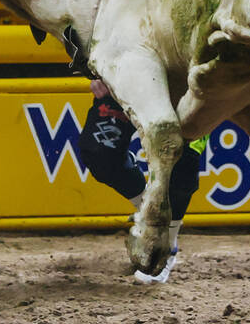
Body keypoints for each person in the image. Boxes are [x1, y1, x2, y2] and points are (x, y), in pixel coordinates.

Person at [78, 79, 203, 284]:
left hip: (189, 87)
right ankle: (152, 216)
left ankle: (165, 245)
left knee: (181, 162)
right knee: (99, 152)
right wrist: (92, 67)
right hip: (130, 78)